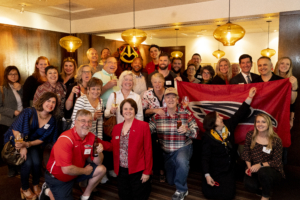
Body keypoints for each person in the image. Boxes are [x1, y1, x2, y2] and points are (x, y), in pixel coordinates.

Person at [201, 87, 257, 200]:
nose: (222, 117)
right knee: (209, 193)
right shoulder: (207, 137)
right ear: (213, 123)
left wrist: (250, 97)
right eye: (218, 117)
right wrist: (207, 175)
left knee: (228, 195)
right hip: (215, 169)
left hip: (228, 169)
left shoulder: (228, 125)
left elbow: (240, 113)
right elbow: (205, 158)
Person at [41, 109, 107, 200]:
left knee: (101, 169)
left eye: (89, 121)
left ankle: (85, 196)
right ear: (75, 122)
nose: (86, 124)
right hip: (58, 178)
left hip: (75, 173)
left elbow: (98, 163)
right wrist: (85, 171)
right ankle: (47, 190)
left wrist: (99, 152)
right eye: (83, 121)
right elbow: (66, 169)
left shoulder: (91, 137)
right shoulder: (66, 139)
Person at [4, 92, 59, 200]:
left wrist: (28, 144)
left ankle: (35, 184)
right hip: (18, 140)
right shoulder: (29, 111)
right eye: (48, 101)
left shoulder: (52, 120)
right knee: (27, 163)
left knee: (37, 162)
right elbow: (15, 130)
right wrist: (22, 147)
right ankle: (24, 188)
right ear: (42, 101)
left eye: (53, 102)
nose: (50, 104)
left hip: (32, 143)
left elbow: (42, 139)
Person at [149, 87, 199, 200]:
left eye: (173, 97)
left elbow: (196, 133)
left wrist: (187, 131)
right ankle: (177, 178)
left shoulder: (185, 113)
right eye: (168, 97)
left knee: (181, 161)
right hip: (166, 151)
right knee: (170, 181)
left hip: (183, 147)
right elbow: (147, 129)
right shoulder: (158, 115)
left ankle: (182, 190)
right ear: (164, 100)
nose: (170, 99)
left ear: (177, 99)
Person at [110, 99, 152, 200]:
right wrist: (98, 142)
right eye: (125, 109)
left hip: (137, 169)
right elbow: (112, 146)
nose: (128, 111)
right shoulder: (116, 127)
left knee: (139, 196)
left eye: (131, 108)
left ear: (135, 110)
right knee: (124, 195)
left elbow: (148, 150)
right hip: (121, 170)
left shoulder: (143, 126)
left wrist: (147, 172)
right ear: (121, 111)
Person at [241, 113, 284, 200]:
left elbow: (276, 162)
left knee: (264, 172)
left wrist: (260, 165)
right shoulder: (250, 135)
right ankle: (262, 185)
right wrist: (249, 168)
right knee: (250, 186)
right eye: (258, 122)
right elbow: (246, 153)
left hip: (270, 169)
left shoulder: (276, 140)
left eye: (263, 122)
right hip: (254, 168)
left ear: (268, 124)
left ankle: (265, 196)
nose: (260, 124)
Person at [142, 73, 167, 182]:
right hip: (152, 123)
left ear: (163, 82)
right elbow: (143, 111)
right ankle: (152, 170)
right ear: (151, 83)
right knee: (153, 148)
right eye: (155, 82)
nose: (157, 84)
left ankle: (163, 170)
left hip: (167, 124)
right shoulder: (147, 94)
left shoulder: (169, 92)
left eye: (160, 81)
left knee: (165, 148)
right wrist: (155, 110)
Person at [0, 66, 23, 177]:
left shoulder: (22, 87)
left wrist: (20, 90)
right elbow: (0, 108)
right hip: (8, 121)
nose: (13, 76)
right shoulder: (2, 89)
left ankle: (19, 165)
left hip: (21, 121)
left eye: (15, 74)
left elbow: (27, 101)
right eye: (11, 74)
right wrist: (13, 112)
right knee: (9, 146)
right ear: (6, 76)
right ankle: (10, 168)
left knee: (19, 143)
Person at [274, 57, 298, 128]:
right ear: (278, 65)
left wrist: (291, 119)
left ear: (290, 67)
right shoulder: (271, 78)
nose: (285, 66)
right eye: (282, 63)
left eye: (288, 64)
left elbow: (293, 103)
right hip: (272, 111)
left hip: (285, 113)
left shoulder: (292, 80)